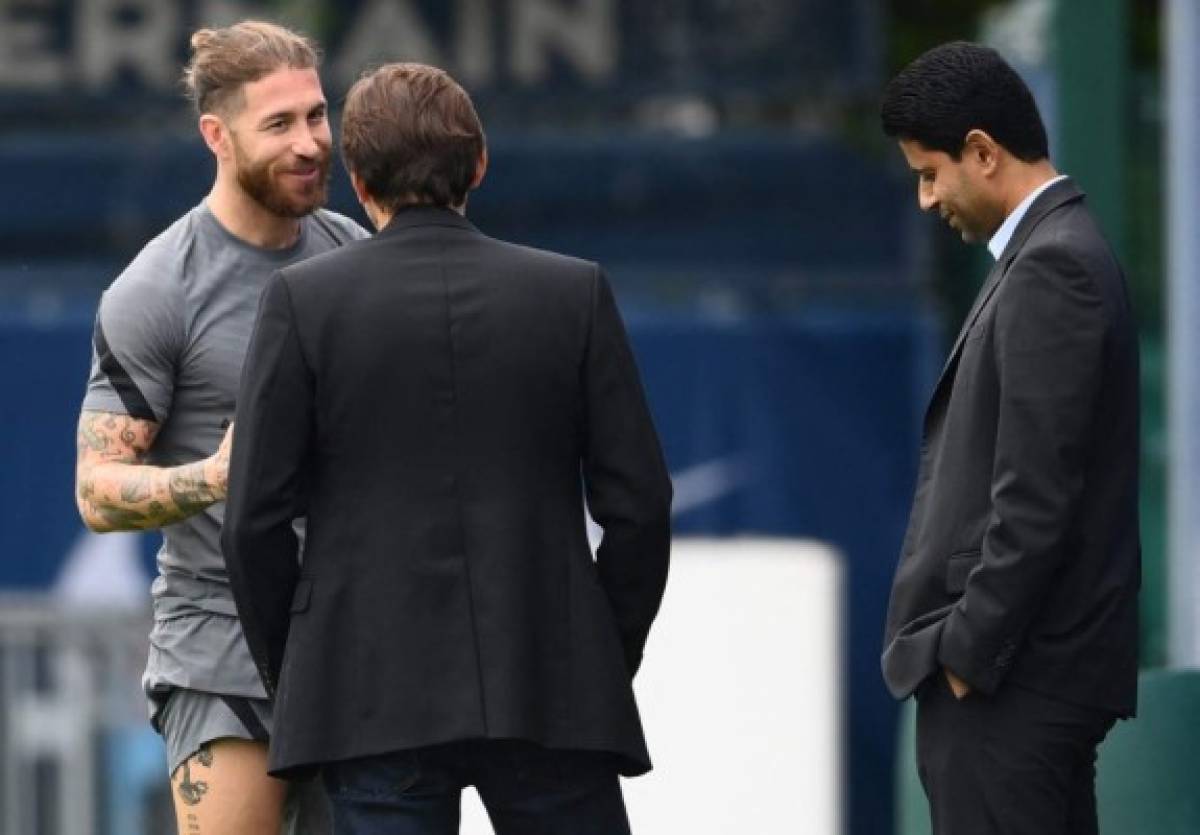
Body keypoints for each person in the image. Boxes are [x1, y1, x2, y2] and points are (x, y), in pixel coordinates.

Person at [222, 62, 673, 835]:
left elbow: (253, 521)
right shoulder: (573, 292)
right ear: (480, 164)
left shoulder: (302, 302)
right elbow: (639, 507)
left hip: (371, 698)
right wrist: (595, 651)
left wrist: (304, 670)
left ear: (357, 178)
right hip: (549, 687)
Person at [74, 20, 368, 835]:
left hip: (357, 637)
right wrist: (216, 474)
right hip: (219, 645)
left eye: (316, 115)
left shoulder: (355, 255)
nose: (311, 143)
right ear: (216, 134)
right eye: (279, 124)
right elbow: (97, 493)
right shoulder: (157, 288)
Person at [879, 41, 1140, 835]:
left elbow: (1035, 496)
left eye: (931, 173)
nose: (927, 199)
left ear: (982, 153)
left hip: (1010, 687)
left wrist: (966, 654)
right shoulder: (1051, 255)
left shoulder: (1052, 266)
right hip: (1022, 683)